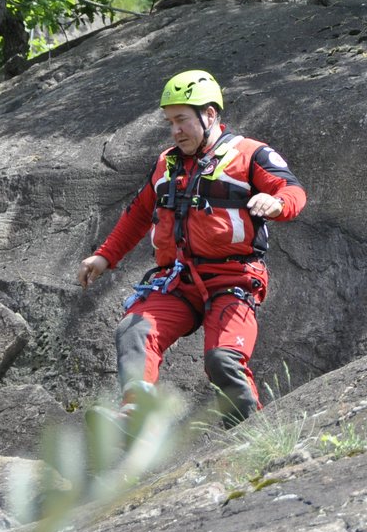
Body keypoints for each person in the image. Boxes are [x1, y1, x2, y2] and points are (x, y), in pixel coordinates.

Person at [78, 70, 307, 426]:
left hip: (234, 278)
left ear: (210, 115)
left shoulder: (251, 154)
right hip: (178, 280)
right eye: (170, 122)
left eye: (182, 120)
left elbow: (293, 191)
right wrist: (105, 255)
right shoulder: (166, 163)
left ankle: (251, 436)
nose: (175, 130)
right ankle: (134, 416)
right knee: (134, 329)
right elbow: (138, 213)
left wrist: (277, 204)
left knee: (223, 359)